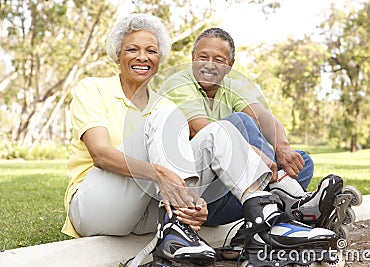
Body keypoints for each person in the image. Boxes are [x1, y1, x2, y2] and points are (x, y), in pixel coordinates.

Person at [62, 15, 335, 266]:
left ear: (160, 57)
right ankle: (290, 202)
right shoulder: (93, 88)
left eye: (151, 51)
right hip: (96, 207)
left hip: (147, 213)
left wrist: (194, 202)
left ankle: (264, 221)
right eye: (132, 49)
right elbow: (100, 153)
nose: (142, 57)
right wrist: (159, 175)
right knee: (165, 118)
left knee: (217, 132)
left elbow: (184, 160)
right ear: (117, 54)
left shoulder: (163, 103)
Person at [158, 27, 343, 228]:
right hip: (199, 196)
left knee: (300, 162)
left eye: (219, 60)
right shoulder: (178, 83)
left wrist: (282, 147)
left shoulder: (230, 85)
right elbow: (198, 127)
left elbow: (264, 117)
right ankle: (294, 203)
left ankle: (274, 210)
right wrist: (253, 155)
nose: (209, 65)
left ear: (230, 65)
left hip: (236, 190)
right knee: (239, 121)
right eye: (203, 57)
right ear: (193, 57)